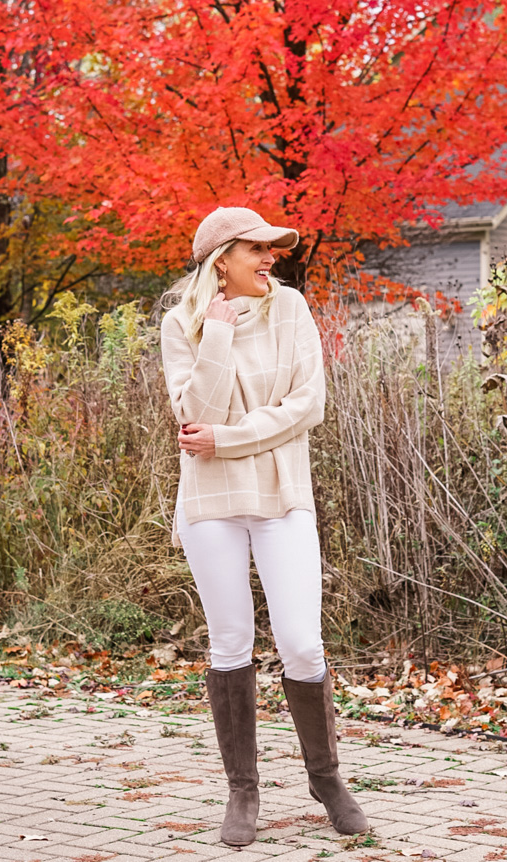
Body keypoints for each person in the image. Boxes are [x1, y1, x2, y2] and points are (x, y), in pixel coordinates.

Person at [160, 206, 367, 847]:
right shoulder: (182, 324)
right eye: (258, 247)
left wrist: (226, 439)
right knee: (230, 645)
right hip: (210, 504)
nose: (271, 256)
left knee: (303, 644)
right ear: (222, 259)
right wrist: (216, 333)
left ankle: (326, 779)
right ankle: (242, 790)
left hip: (283, 496)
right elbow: (194, 412)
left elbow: (307, 406)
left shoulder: (292, 310)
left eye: (273, 247)